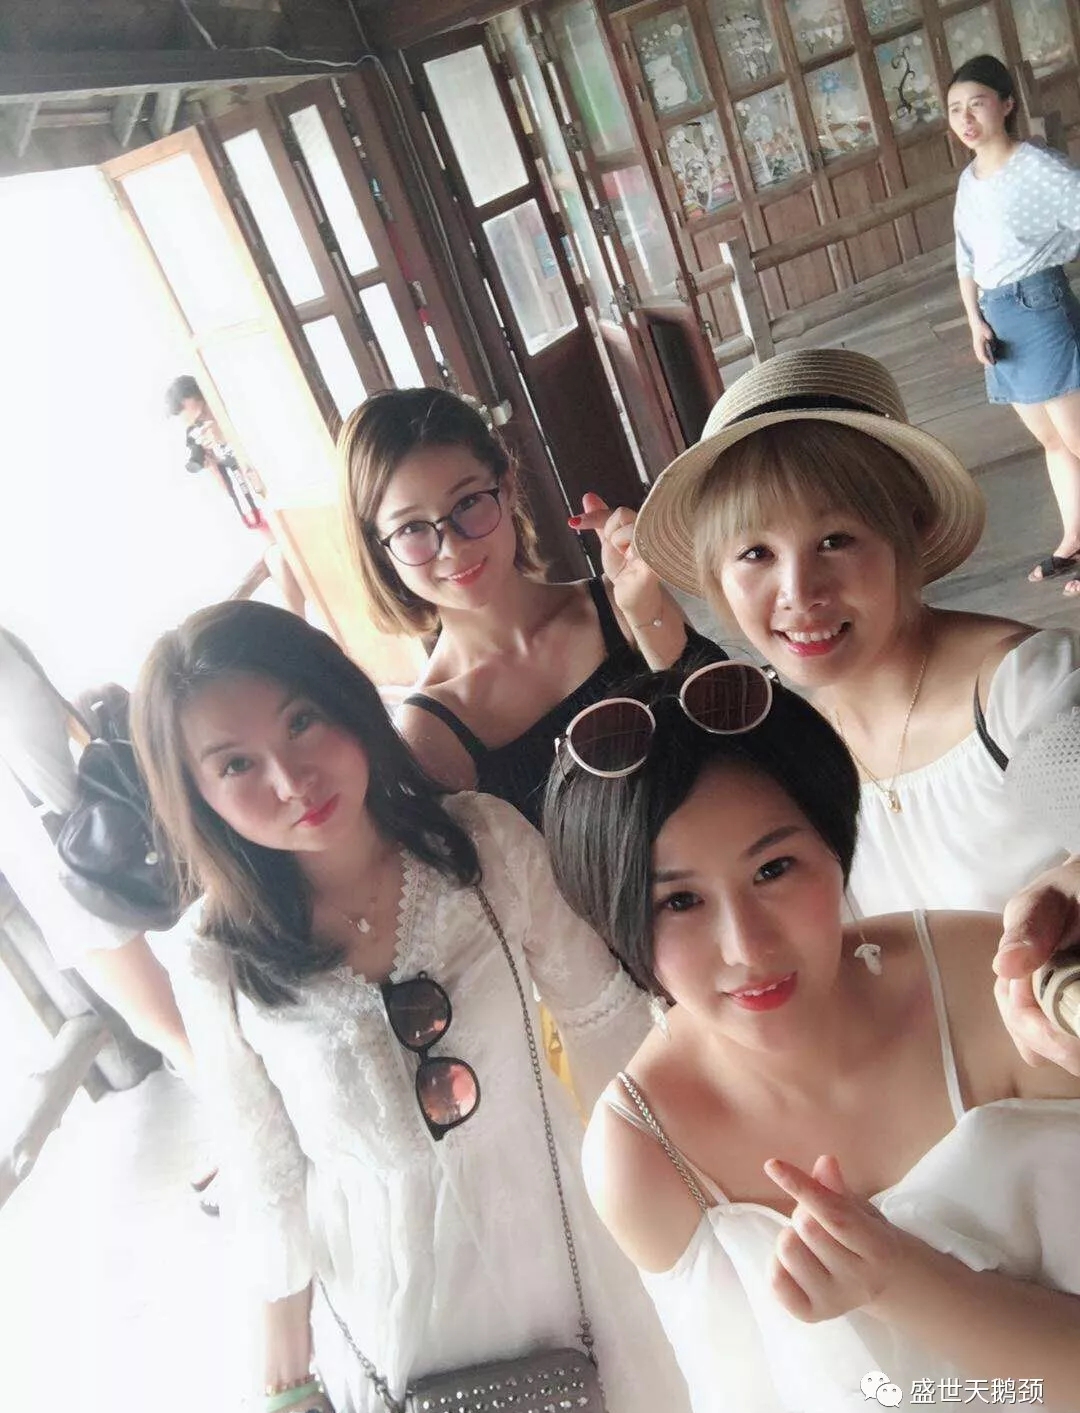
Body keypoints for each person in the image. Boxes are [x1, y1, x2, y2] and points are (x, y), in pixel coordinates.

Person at [132, 599, 696, 1413]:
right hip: (395, 1309)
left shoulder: (484, 843)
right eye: (237, 764)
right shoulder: (215, 955)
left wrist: (703, 1181)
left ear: (344, 700)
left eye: (301, 722)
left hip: (566, 1252)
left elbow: (604, 1023)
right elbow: (268, 1172)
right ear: (199, 795)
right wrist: (286, 1386)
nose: (291, 781)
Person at [542, 662, 1080, 1413]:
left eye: (774, 869)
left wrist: (902, 1282)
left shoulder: (988, 987)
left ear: (836, 848)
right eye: (680, 901)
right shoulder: (644, 1152)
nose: (746, 946)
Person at [624, 346, 1080, 918]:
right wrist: (646, 617)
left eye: (834, 540)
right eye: (756, 553)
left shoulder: (1020, 691)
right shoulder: (796, 750)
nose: (798, 592)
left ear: (910, 532)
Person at [337, 387, 723, 830]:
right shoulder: (430, 731)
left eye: (467, 502)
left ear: (506, 486)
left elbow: (733, 736)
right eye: (411, 528)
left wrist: (645, 611)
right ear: (379, 547)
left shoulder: (617, 605)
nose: (452, 547)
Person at [0, 625, 195, 1085]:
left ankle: (257, 1120)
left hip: (64, 862)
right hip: (80, 845)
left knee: (170, 1026)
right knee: (174, 1020)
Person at [947, 55, 1080, 593]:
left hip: (1039, 304)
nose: (965, 118)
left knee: (1076, 435)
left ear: (1005, 104)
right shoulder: (969, 180)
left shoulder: (1037, 165)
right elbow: (965, 257)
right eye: (954, 109)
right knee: (1050, 440)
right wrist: (973, 320)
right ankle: (1074, 538)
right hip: (998, 317)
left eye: (976, 103)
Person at [165, 376, 307, 618]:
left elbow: (278, 475)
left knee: (277, 558)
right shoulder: (218, 452)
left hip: (297, 513)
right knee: (275, 556)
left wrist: (228, 439)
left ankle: (297, 623)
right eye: (193, 428)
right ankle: (297, 622)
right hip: (273, 529)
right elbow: (247, 510)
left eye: (201, 417)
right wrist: (213, 466)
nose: (201, 428)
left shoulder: (245, 421)